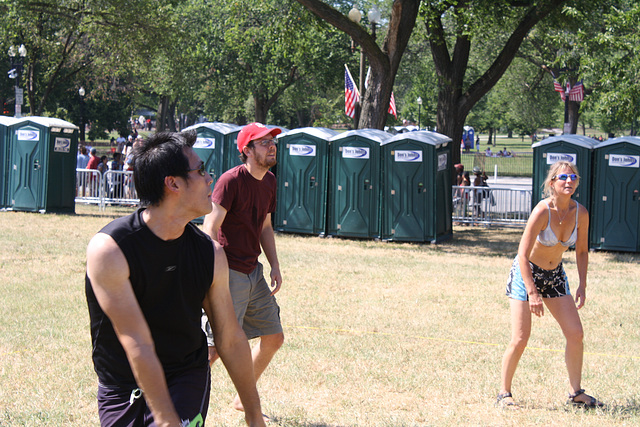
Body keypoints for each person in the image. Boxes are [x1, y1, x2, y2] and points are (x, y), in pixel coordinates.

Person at [85, 130, 266, 427]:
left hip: (185, 374)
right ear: (172, 183)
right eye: (201, 170)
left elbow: (230, 338)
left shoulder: (210, 253)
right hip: (122, 382)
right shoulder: (110, 249)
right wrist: (165, 418)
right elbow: (137, 342)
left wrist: (254, 415)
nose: (210, 179)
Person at [498, 161, 603, 408]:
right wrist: (532, 292)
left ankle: (576, 393)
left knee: (576, 334)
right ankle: (504, 394)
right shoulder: (542, 211)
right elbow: (522, 255)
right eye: (563, 177)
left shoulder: (581, 213)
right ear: (552, 183)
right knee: (521, 338)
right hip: (527, 273)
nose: (569, 181)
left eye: (573, 177)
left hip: (554, 274)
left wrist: (582, 285)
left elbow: (582, 252)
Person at [202, 122, 284, 419]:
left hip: (253, 271)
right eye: (263, 143)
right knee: (213, 350)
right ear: (246, 150)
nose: (271, 146)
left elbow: (264, 225)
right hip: (229, 273)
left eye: (272, 141)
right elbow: (209, 227)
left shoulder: (270, 181)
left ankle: (241, 397)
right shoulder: (230, 181)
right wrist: (216, 271)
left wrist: (274, 263)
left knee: (274, 337)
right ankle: (176, 401)